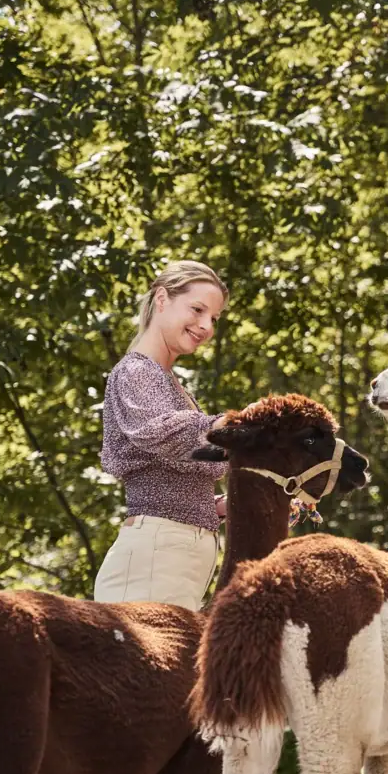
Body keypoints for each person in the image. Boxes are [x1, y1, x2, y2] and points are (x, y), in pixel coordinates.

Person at [93, 260, 232, 611]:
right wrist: (246, 425)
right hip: (155, 556)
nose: (205, 326)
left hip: (176, 555)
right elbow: (164, 434)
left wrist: (220, 506)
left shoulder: (168, 382)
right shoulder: (136, 370)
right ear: (162, 299)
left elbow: (173, 473)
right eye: (198, 309)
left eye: (213, 318)